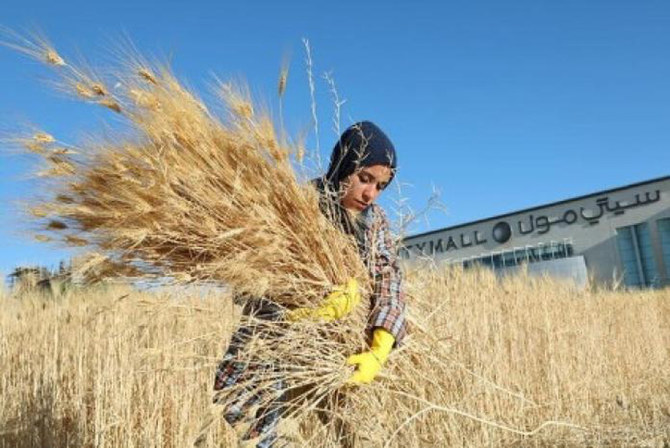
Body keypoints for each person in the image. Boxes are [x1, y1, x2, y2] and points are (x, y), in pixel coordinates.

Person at [213, 121, 407, 447]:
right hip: (276, 346)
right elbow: (247, 283)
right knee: (264, 433)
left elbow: (389, 279)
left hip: (340, 350)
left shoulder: (376, 222)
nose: (370, 193)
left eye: (380, 186)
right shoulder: (297, 205)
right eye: (364, 178)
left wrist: (380, 346)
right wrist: (304, 305)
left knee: (360, 436)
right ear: (345, 164)